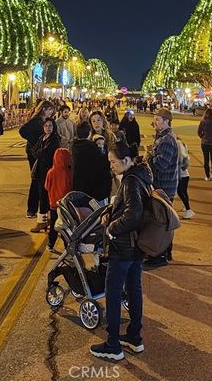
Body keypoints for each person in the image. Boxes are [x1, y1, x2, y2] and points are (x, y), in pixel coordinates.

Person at [90, 138, 152, 362]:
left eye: (114, 162)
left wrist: (112, 228)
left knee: (114, 293)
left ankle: (113, 344)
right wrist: (110, 211)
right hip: (136, 247)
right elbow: (127, 206)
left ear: (127, 160)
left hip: (123, 247)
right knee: (134, 288)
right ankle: (134, 337)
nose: (111, 166)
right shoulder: (141, 175)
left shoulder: (131, 181)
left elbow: (134, 214)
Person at [145, 107, 179, 267]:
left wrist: (149, 156)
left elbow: (161, 164)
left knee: (162, 223)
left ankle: (161, 255)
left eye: (158, 120)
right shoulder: (163, 137)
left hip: (164, 186)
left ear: (166, 121)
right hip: (164, 185)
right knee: (162, 221)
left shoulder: (167, 140)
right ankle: (164, 252)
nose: (155, 123)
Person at [19, 100, 55, 218]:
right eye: (50, 110)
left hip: (42, 153)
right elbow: (22, 130)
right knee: (36, 179)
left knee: (42, 180)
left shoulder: (46, 121)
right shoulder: (35, 121)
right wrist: (35, 141)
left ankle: (41, 207)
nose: (51, 112)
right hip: (34, 153)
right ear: (44, 109)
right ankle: (31, 209)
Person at [30, 119, 60, 232]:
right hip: (40, 170)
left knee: (45, 195)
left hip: (49, 171)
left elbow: (45, 153)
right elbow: (34, 150)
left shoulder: (54, 139)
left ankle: (43, 221)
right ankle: (45, 220)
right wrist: (38, 153)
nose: (48, 127)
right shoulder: (42, 137)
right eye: (46, 125)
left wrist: (39, 153)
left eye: (50, 125)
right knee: (41, 194)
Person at [72, 129, 113, 204]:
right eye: (98, 144)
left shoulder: (107, 157)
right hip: (97, 193)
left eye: (102, 144)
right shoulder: (93, 157)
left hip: (99, 192)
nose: (100, 146)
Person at [44, 147, 72, 252]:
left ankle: (50, 244)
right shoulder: (69, 172)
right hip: (65, 205)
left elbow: (46, 187)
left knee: (53, 226)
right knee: (66, 226)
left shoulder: (50, 172)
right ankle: (67, 246)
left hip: (53, 204)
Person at [197, 107, 212, 180]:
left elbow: (199, 132)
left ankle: (207, 176)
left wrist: (203, 137)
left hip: (205, 142)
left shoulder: (203, 122)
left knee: (206, 159)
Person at [176, 138, 194, 219]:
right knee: (184, 192)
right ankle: (185, 206)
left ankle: (188, 209)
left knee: (180, 192)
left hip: (181, 176)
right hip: (186, 175)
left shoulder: (179, 156)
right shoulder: (185, 154)